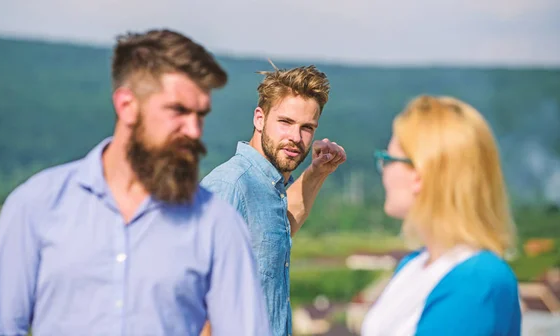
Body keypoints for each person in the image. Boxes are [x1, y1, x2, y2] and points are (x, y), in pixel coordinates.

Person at [0, 29, 271, 336]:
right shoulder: (35, 206)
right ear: (127, 105)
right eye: (179, 111)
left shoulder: (218, 224)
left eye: (201, 115)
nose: (194, 130)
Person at [200, 62, 346, 336]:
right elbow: (194, 296)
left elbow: (277, 231)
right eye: (285, 122)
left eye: (307, 128)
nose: (295, 137)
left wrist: (318, 173)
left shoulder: (269, 188)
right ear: (259, 118)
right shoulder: (229, 186)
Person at [361, 95, 521, 335]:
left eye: (387, 159)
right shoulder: (414, 265)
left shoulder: (478, 280)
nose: (383, 171)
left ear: (419, 174)